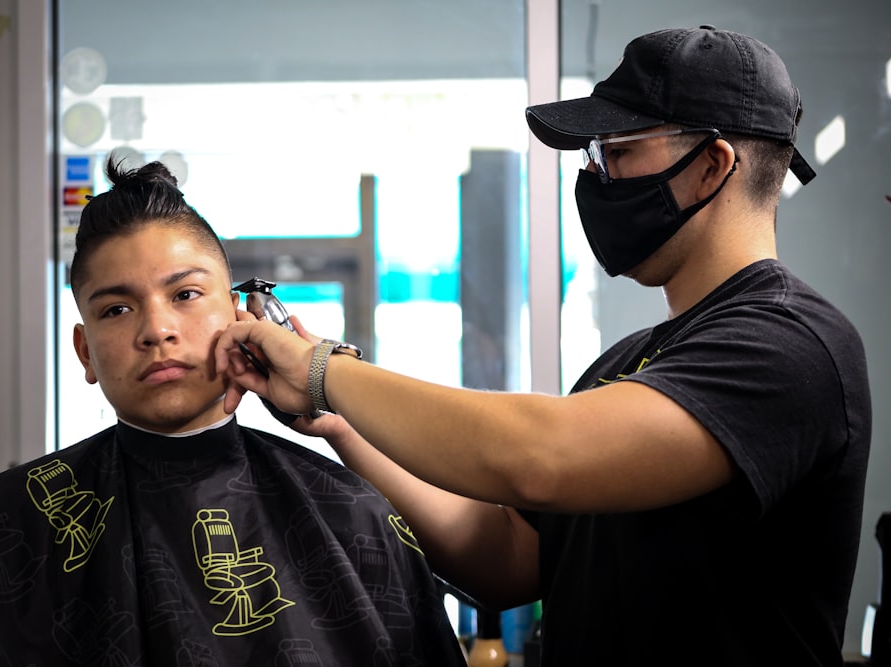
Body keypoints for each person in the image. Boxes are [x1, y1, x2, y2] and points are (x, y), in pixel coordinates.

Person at [216, 26, 873, 665]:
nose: (596, 174)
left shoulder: (793, 346)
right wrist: (337, 421)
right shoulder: (628, 366)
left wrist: (326, 370)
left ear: (710, 165)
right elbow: (504, 556)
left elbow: (540, 454)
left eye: (616, 150)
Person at [0, 159, 466, 665]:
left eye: (186, 295)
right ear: (86, 351)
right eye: (116, 308)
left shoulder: (352, 515)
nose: (157, 330)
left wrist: (332, 402)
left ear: (241, 316)